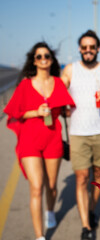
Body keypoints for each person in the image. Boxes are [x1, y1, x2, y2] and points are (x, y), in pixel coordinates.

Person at [3, 42, 75, 240]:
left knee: (51, 186)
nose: (43, 59)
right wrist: (36, 111)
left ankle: (50, 211)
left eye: (47, 56)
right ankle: (39, 236)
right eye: (39, 56)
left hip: (53, 139)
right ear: (34, 61)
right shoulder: (26, 84)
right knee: (36, 187)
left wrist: (66, 110)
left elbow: (65, 108)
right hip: (29, 140)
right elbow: (15, 112)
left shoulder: (58, 83)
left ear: (51, 60)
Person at [61, 29, 100, 240]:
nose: (88, 50)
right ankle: (86, 227)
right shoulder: (70, 69)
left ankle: (90, 210)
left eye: (92, 47)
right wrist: (63, 106)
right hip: (77, 132)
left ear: (97, 49)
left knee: (97, 177)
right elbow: (60, 93)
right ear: (80, 49)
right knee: (81, 178)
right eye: (84, 47)